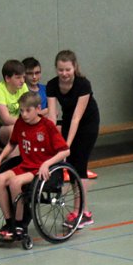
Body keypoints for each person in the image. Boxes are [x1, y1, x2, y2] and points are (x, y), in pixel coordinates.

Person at [0, 92, 69, 240]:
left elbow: (65, 151)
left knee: (15, 182)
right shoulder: (20, 123)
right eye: (21, 110)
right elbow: (12, 143)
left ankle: (19, 224)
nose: (23, 114)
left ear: (38, 109)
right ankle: (8, 222)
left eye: (27, 110)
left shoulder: (47, 126)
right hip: (25, 164)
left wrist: (47, 163)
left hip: (40, 168)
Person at [46, 50, 97, 228]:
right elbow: (52, 117)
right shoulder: (52, 85)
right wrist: (53, 141)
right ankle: (83, 210)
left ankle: (82, 213)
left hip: (87, 122)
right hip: (68, 120)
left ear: (74, 67)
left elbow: (78, 117)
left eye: (68, 69)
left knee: (79, 165)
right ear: (56, 69)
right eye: (60, 70)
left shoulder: (83, 85)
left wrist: (66, 144)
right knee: (72, 167)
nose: (64, 74)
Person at [0, 59, 28, 145]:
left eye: (23, 77)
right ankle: (13, 158)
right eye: (18, 77)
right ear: (7, 78)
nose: (22, 81)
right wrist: (29, 121)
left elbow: (30, 109)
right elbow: (6, 119)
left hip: (17, 122)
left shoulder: (23, 86)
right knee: (15, 130)